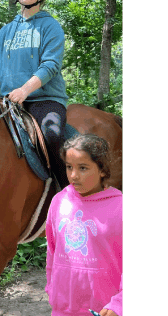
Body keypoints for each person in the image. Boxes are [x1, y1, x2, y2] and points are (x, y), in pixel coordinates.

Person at [0, 0, 69, 186]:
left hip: (44, 100)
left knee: (52, 135)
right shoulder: (6, 30)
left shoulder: (51, 27)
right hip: (7, 101)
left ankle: (66, 192)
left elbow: (50, 66)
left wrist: (24, 90)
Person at [45, 134, 123, 316]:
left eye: (83, 168)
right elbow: (52, 250)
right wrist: (51, 288)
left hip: (106, 310)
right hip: (63, 308)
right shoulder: (59, 201)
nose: (73, 175)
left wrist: (120, 303)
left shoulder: (121, 207)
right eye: (69, 167)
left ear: (102, 169)